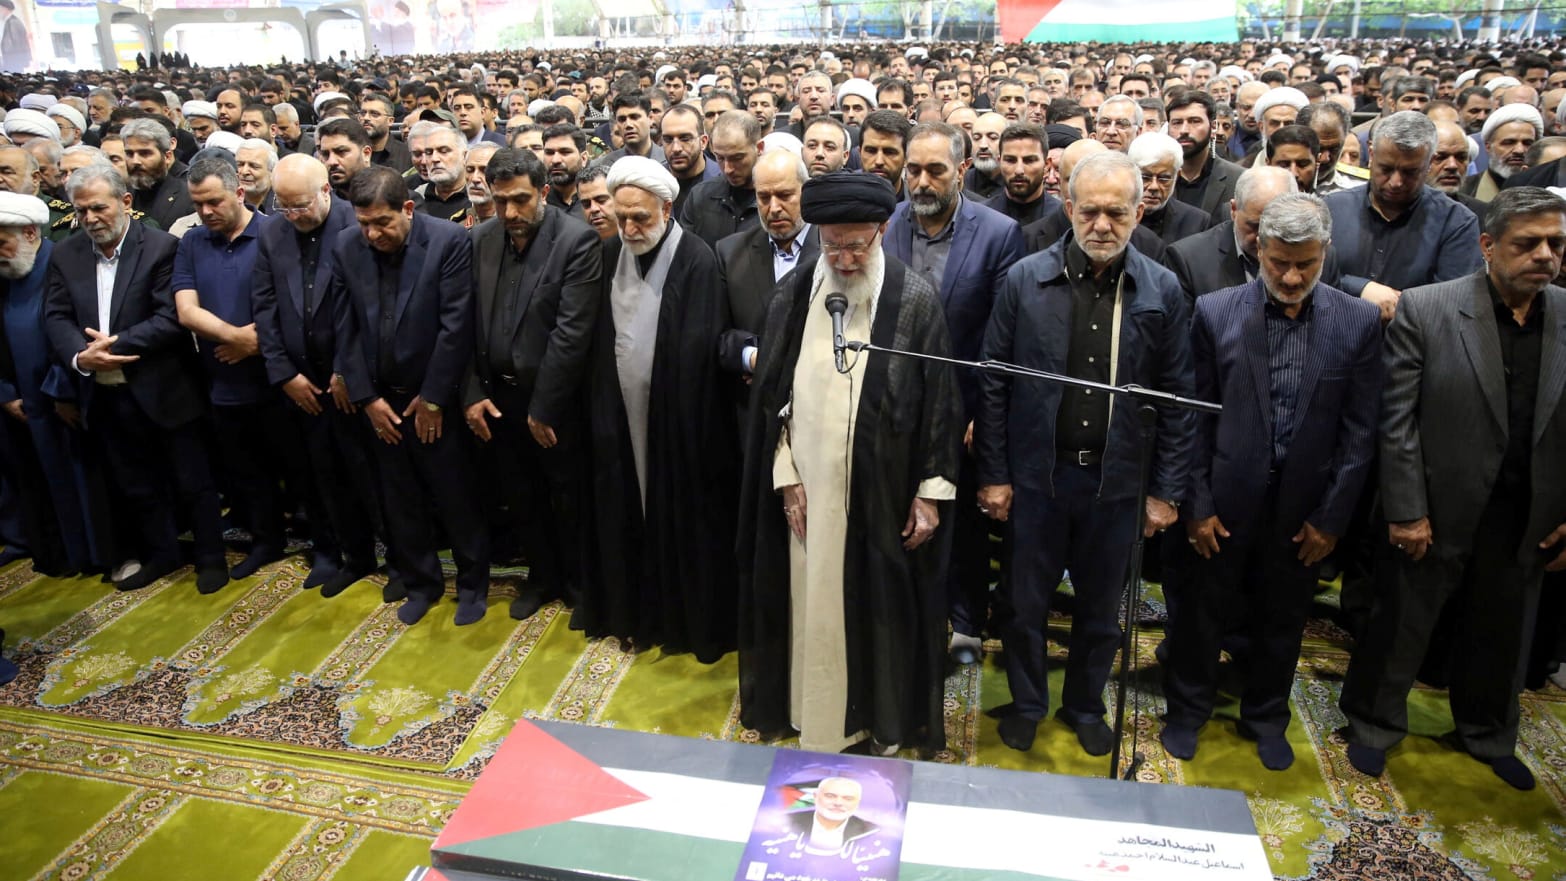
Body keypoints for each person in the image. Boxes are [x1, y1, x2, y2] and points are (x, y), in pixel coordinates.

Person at [1339, 187, 1566, 792]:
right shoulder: (1428, 307)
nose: (1545, 255)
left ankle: (1488, 731)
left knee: (1503, 629)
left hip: (1527, 511)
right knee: (1401, 623)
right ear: (1489, 247)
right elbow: (1397, 418)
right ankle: (1373, 725)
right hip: (1435, 505)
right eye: (1529, 243)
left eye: (1556, 244)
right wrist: (1407, 508)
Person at [977, 151, 1194, 756]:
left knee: (1103, 613)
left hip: (1118, 484)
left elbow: (1179, 398)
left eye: (1116, 213)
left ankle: (1085, 703)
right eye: (1090, 211)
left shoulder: (1163, 289)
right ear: (1068, 208)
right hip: (1037, 480)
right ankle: (1026, 703)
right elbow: (993, 381)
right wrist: (994, 474)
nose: (1101, 225)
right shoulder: (1024, 279)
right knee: (1023, 607)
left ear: (1139, 211)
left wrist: (1165, 491)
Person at [738, 170, 962, 754]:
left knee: (876, 614)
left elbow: (941, 402)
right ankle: (810, 713)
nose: (842, 256)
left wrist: (930, 493)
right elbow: (773, 403)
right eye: (832, 243)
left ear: (883, 231)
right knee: (809, 608)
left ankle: (876, 721)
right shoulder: (794, 297)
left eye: (856, 243)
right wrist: (786, 480)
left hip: (881, 501)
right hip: (808, 495)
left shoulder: (913, 300)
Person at [1161, 193, 1382, 770]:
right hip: (1223, 504)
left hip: (1304, 512)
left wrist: (1332, 519)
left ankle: (1266, 717)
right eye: (1279, 261)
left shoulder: (1355, 320)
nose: (1290, 275)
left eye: (1305, 264)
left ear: (1325, 254)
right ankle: (1187, 711)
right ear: (1258, 247)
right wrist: (1197, 504)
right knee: (1202, 614)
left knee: (1284, 619)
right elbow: (1191, 416)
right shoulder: (1215, 311)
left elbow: (1361, 434)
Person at [577, 156, 738, 661]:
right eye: (621, 217)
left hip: (677, 428)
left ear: (667, 210)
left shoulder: (697, 260)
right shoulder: (607, 255)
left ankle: (683, 623)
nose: (629, 228)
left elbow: (698, 353)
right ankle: (632, 613)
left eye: (640, 218)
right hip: (619, 418)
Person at [44, 163, 227, 593]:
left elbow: (171, 317)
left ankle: (210, 559)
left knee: (193, 480)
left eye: (99, 208)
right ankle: (161, 554)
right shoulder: (66, 254)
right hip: (103, 393)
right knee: (136, 483)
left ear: (125, 202)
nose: (90, 219)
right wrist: (81, 357)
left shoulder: (163, 247)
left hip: (164, 388)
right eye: (82, 210)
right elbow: (55, 316)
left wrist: (114, 346)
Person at [885, 122, 1026, 666]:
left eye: (935, 170)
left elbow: (1001, 335)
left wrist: (983, 416)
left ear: (961, 171)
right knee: (902, 516)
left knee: (963, 527)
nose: (921, 181)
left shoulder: (997, 232)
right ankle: (907, 616)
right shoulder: (888, 222)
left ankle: (966, 622)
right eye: (913, 170)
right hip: (896, 407)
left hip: (965, 409)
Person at [331, 166, 490, 626]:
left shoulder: (448, 241)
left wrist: (435, 398)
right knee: (399, 500)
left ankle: (472, 585)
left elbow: (455, 326)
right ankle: (421, 583)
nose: (372, 233)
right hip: (381, 401)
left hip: (437, 398)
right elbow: (345, 329)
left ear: (407, 209)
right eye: (363, 223)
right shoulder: (347, 246)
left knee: (456, 496)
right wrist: (366, 399)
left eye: (382, 223)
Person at [464, 148, 602, 621]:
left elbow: (572, 334)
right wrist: (472, 393)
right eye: (501, 201)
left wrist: (543, 409)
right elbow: (462, 325)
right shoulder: (481, 239)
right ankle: (541, 578)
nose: (510, 213)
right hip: (497, 399)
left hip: (555, 401)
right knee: (521, 496)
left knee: (569, 498)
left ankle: (582, 588)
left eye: (520, 200)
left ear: (543, 192)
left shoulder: (576, 241)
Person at [251, 154, 383, 598]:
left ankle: (390, 556)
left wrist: (349, 372)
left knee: (367, 475)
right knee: (314, 474)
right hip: (299, 382)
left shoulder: (358, 225)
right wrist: (283, 372)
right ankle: (336, 553)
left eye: (301, 205)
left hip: (353, 381)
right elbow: (264, 306)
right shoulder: (273, 231)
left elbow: (369, 309)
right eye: (283, 206)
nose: (293, 215)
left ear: (326, 191)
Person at [172, 156, 290, 583]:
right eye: (198, 204)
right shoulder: (191, 241)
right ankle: (265, 540)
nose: (205, 212)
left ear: (240, 192)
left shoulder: (275, 231)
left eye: (214, 202)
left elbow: (292, 300)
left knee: (298, 466)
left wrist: (258, 342)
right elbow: (186, 310)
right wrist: (236, 337)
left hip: (279, 376)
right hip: (223, 379)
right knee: (246, 469)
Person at [0, 190, 109, 577]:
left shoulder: (59, 265)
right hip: (20, 407)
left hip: (63, 401)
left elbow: (70, 332)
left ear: (30, 233)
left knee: (79, 481)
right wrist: (6, 394)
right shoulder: (6, 277)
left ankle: (93, 555)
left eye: (3, 242)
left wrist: (60, 390)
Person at [1324, 111, 1483, 323]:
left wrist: (1398, 304)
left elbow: (1454, 303)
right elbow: (1309, 280)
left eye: (1410, 172)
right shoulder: (1331, 209)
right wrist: (1361, 288)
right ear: (1371, 155)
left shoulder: (1456, 222)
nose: (1396, 182)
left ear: (1430, 162)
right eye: (1386, 169)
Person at [715, 148, 818, 388]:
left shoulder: (832, 251)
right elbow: (716, 336)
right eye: (764, 197)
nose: (773, 208)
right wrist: (754, 360)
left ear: (806, 192)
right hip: (750, 407)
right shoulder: (729, 254)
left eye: (784, 195)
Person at [679, 110, 761, 248]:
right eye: (720, 158)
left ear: (759, 148)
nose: (728, 169)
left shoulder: (776, 199)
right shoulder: (699, 196)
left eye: (737, 158)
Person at [1128, 131, 1212, 246]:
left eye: (1164, 178)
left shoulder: (1196, 222)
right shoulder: (1113, 215)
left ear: (1177, 176)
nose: (1154, 186)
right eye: (1145, 177)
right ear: (1130, 174)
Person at [1170, 91, 1243, 218]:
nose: (1184, 130)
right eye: (1177, 122)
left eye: (1194, 121)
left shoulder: (1239, 179)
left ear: (1213, 127)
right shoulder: (1153, 178)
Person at [121, 118, 192, 230]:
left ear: (167, 157)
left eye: (144, 153)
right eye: (129, 154)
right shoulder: (120, 194)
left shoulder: (188, 197)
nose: (135, 161)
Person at [779, 777, 879, 855]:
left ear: (857, 803)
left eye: (848, 798)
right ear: (815, 797)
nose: (838, 803)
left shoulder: (871, 831)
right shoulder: (786, 821)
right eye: (830, 796)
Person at [984, 122, 1058, 227]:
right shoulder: (980, 218)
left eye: (1029, 160)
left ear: (1046, 165)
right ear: (999, 162)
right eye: (1010, 160)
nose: (1019, 170)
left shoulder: (1062, 219)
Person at [0, 0, 31, 72]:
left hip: (14, 61)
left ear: (6, 9)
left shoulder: (13, 22)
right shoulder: (9, 21)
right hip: (13, 60)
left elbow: (17, 44)